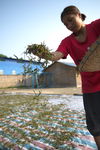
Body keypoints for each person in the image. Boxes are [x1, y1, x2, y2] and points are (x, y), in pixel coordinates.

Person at [29, 5, 100, 149]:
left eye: (70, 20)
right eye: (65, 24)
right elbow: (56, 55)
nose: (68, 25)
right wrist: (42, 53)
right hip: (90, 89)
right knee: (96, 127)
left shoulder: (96, 26)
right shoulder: (67, 42)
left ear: (79, 15)